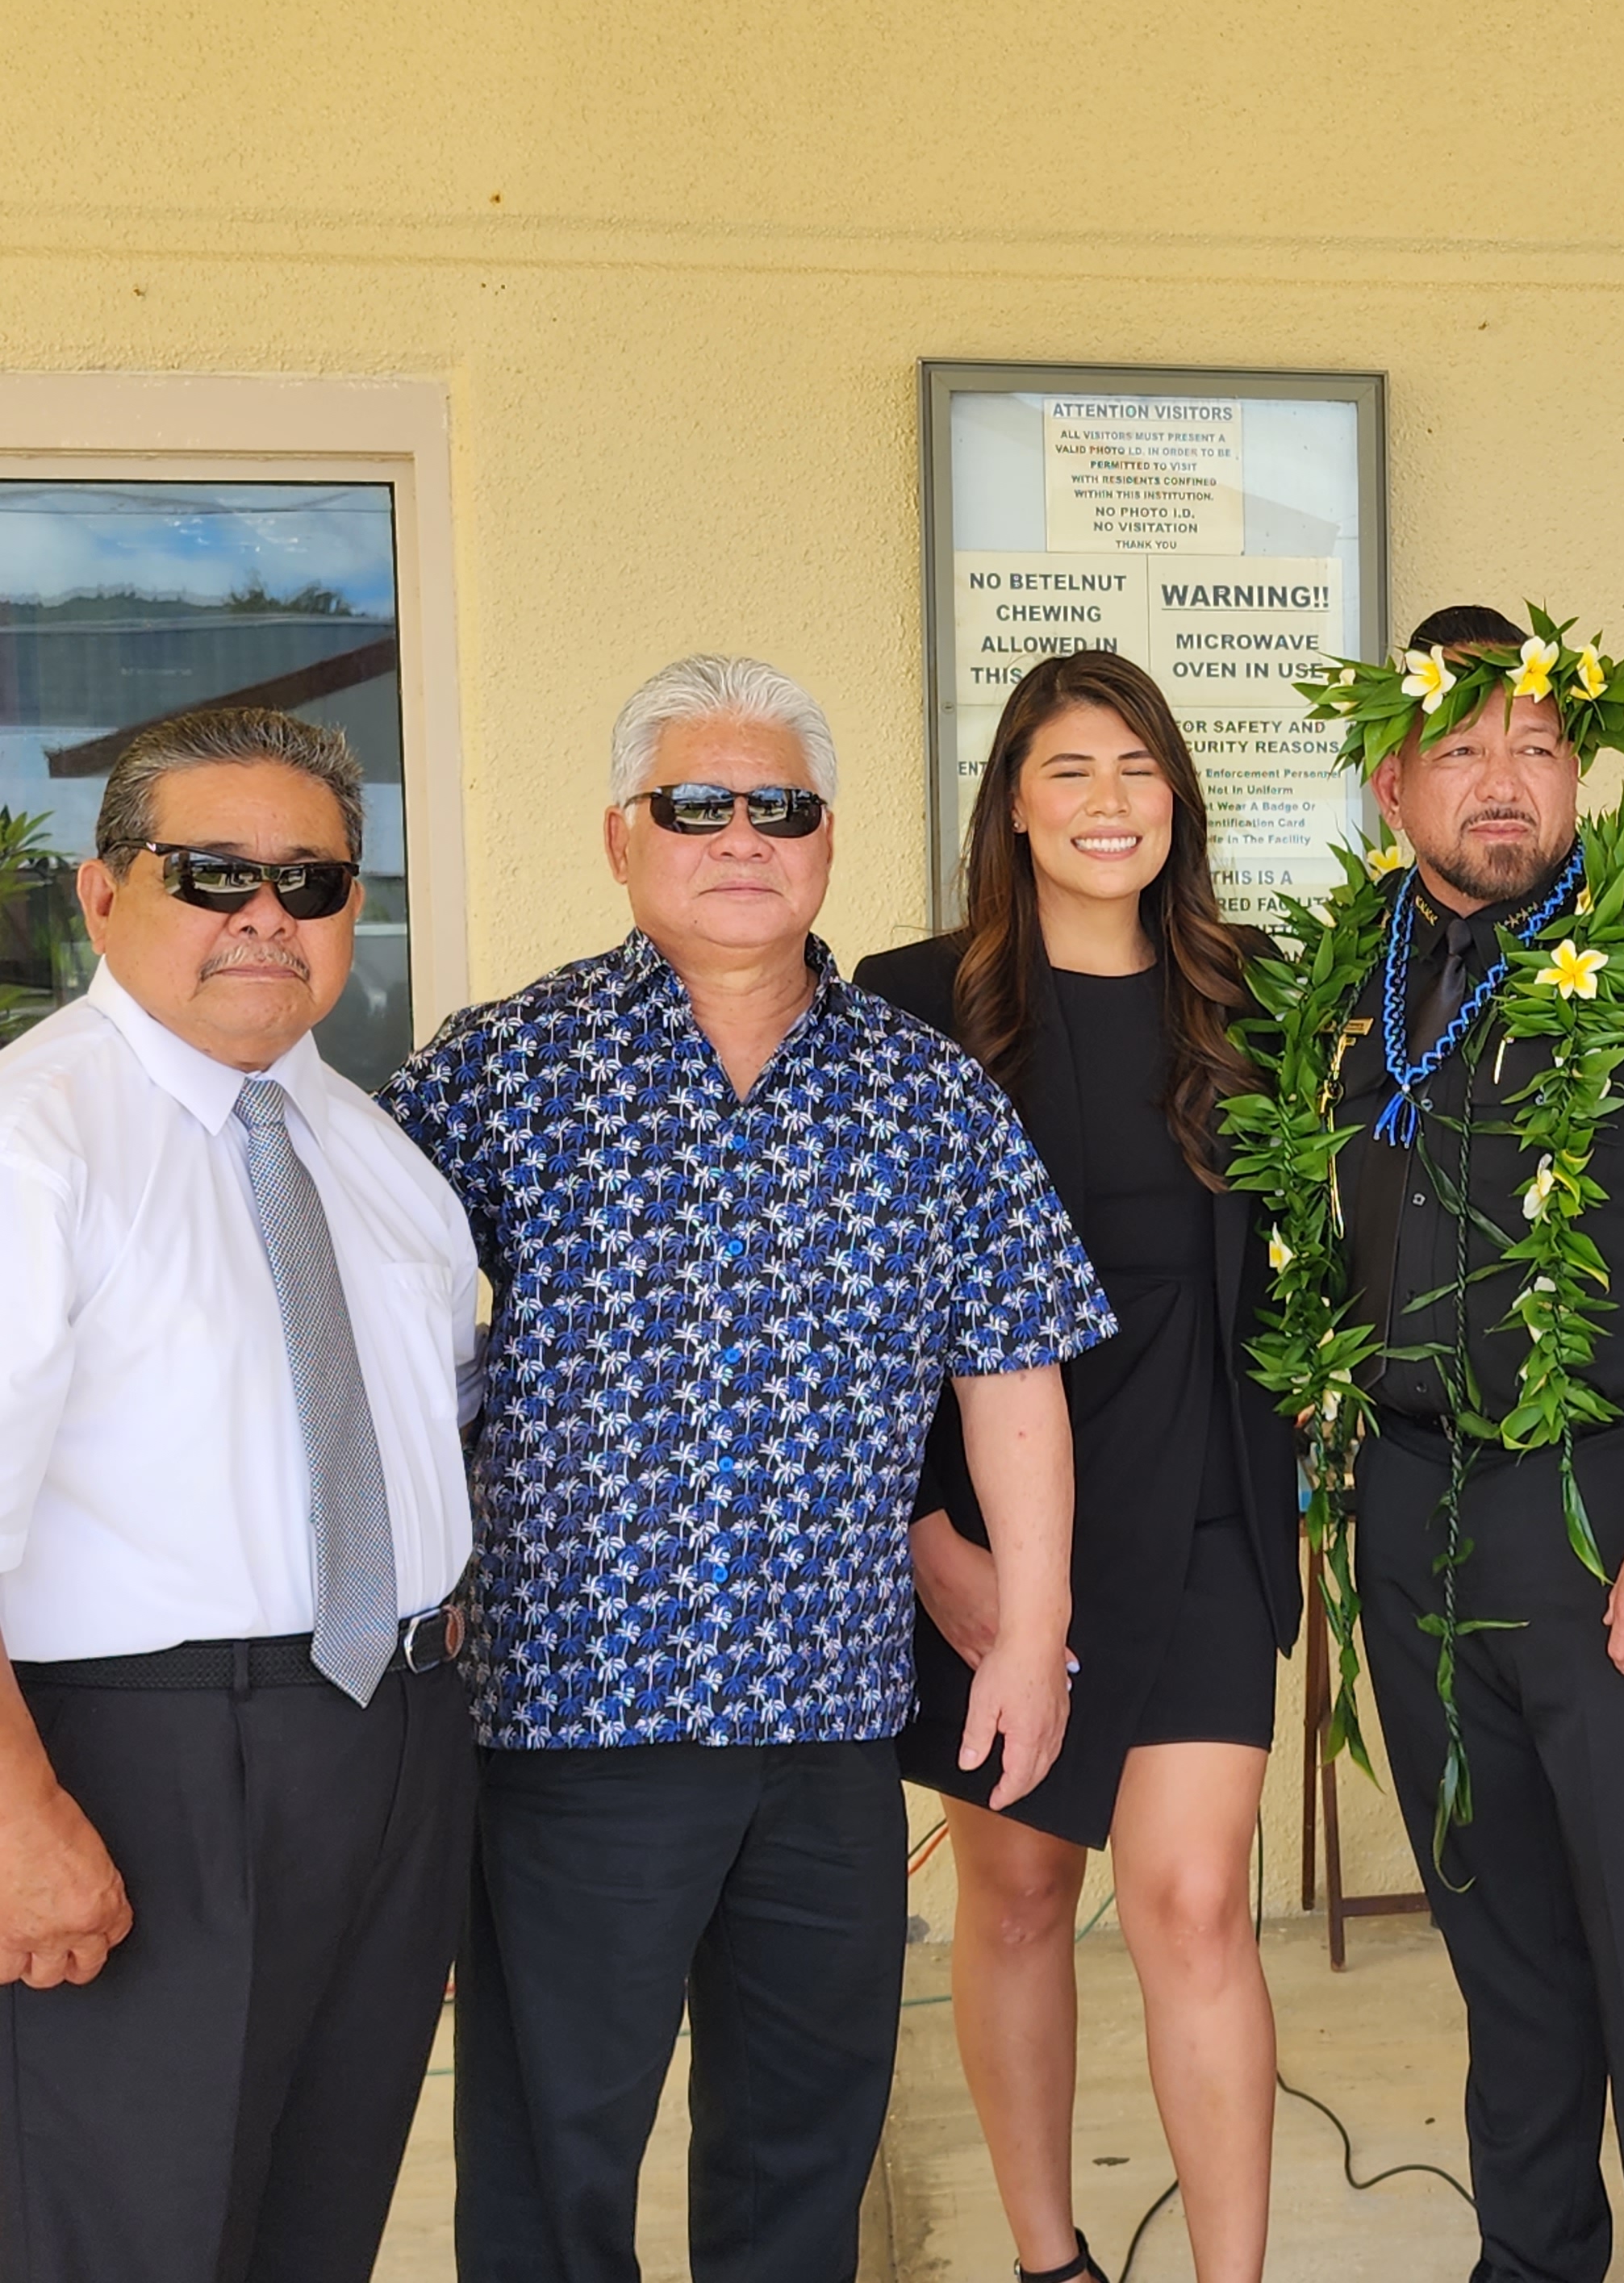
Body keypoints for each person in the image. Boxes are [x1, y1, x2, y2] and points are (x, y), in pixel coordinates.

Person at [382, 654, 1110, 2283]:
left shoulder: (927, 1096)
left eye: (776, 807)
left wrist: (1026, 1627)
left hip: (826, 1731)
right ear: (620, 838)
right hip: (571, 1721)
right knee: (554, 2158)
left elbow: (1014, 1374)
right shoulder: (499, 1071)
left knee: (805, 2152)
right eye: (693, 804)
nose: (738, 837)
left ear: (828, 844)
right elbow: (378, 1347)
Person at [1230, 602, 1624, 2283]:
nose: (1504, 784)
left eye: (1536, 749)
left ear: (1580, 772)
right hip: (1413, 1514)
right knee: (1503, 1959)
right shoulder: (1334, 996)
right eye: (1463, 752)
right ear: (1390, 786)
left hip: (1613, 1518)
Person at [0, 707, 479, 2283]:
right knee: (130, 2236)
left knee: (314, 2223)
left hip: (388, 1738)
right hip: (134, 1768)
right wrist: (14, 1822)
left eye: (313, 882)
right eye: (211, 875)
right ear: (101, 897)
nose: (266, 916)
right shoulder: (35, 1138)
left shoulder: (363, 1137)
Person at [857, 649, 1300, 2283]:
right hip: (993, 1528)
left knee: (1191, 1901)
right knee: (1025, 1891)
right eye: (1069, 772)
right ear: (1012, 806)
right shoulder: (913, 1002)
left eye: (1135, 769)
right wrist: (925, 1538)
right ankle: (1050, 2258)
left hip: (1201, 1510)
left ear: (1176, 797)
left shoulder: (1250, 991)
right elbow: (862, 1297)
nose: (1108, 803)